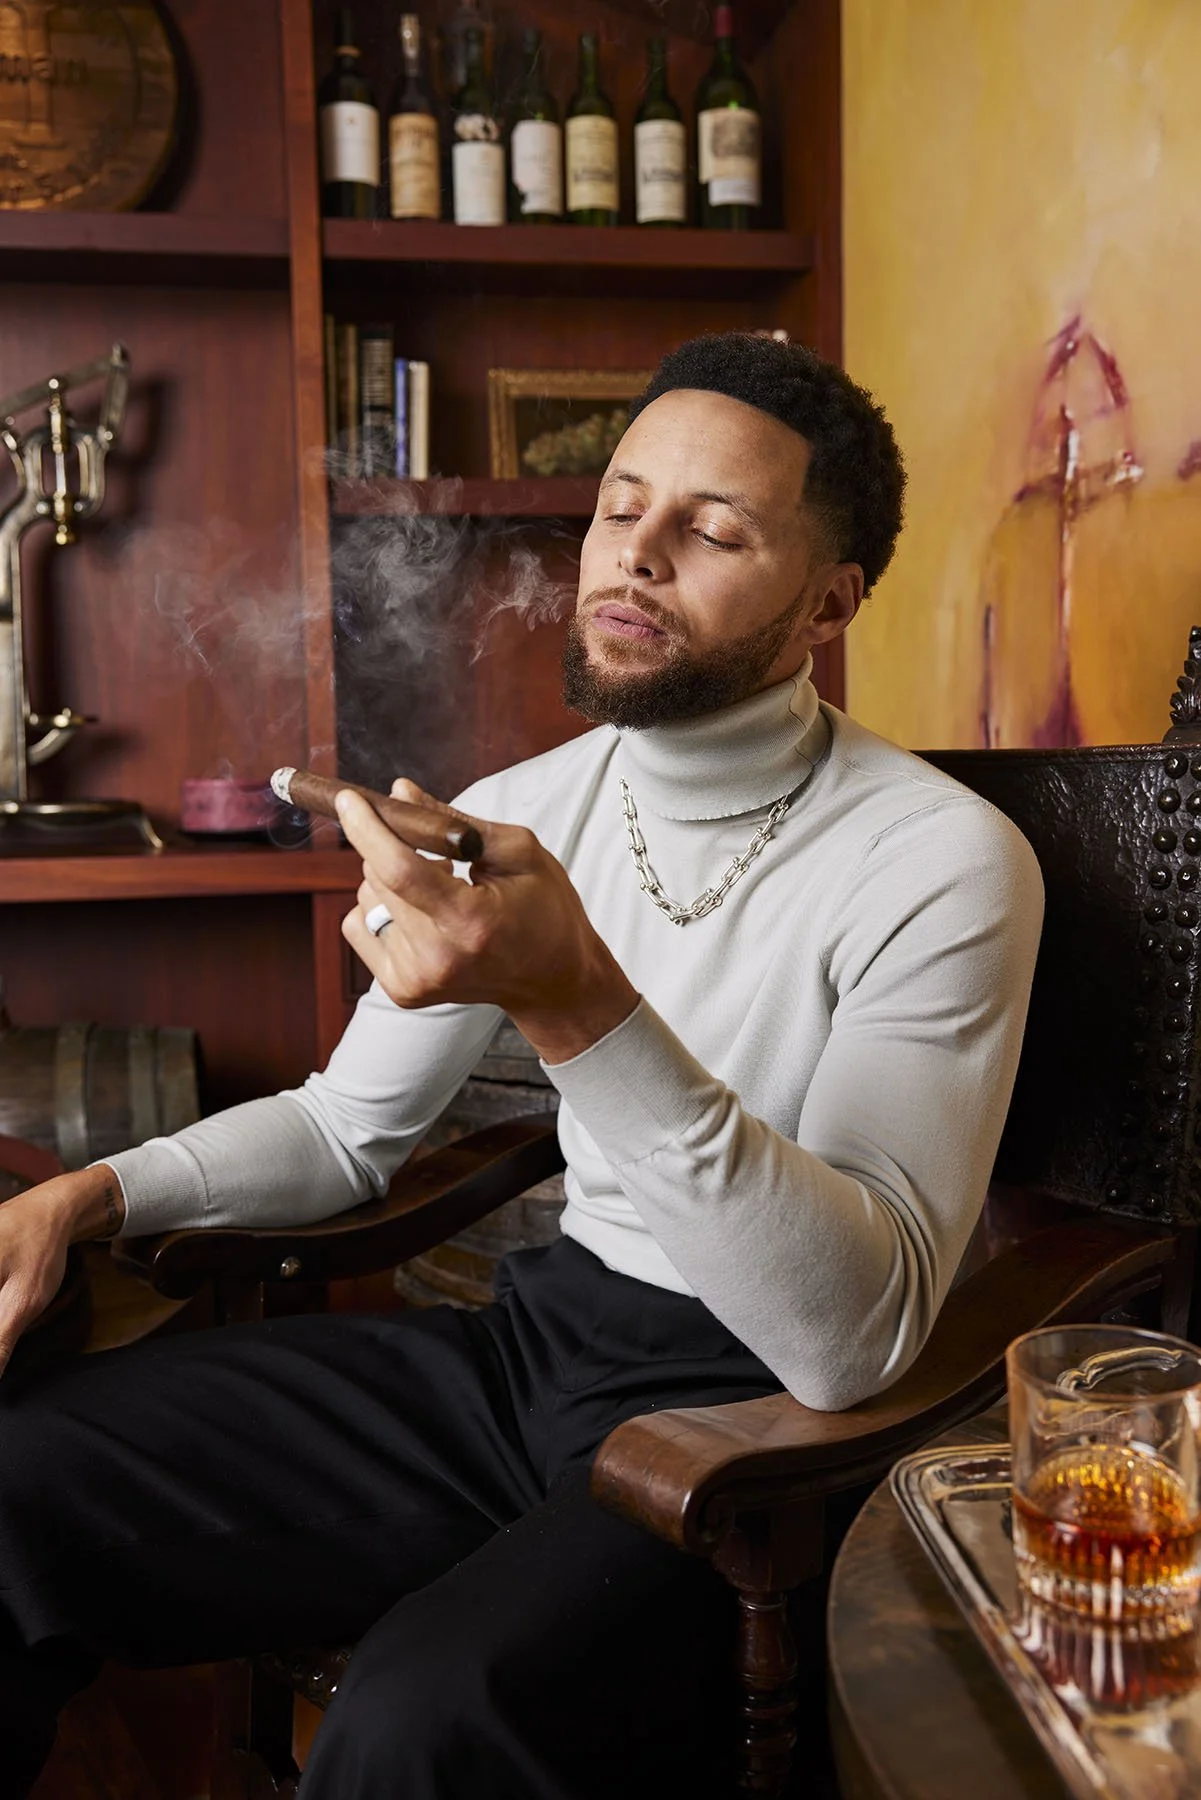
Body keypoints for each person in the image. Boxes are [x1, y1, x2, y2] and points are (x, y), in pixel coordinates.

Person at [0, 332, 1042, 1799]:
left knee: (425, 1715)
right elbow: (351, 1131)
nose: (637, 555)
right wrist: (84, 1200)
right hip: (528, 1356)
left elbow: (846, 1338)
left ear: (830, 601)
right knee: (16, 1480)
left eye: (715, 528)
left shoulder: (942, 861)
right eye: (622, 505)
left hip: (760, 1433)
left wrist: (572, 1002)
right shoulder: (521, 806)